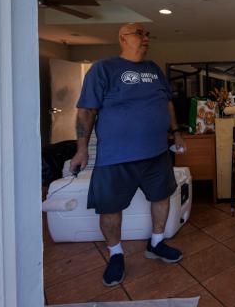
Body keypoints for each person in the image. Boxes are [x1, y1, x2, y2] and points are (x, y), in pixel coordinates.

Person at [69, 23, 186, 287]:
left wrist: (177, 131)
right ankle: (116, 254)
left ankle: (156, 243)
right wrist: (81, 149)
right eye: (140, 33)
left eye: (148, 35)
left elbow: (167, 103)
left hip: (156, 153)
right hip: (116, 157)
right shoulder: (104, 69)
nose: (146, 38)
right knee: (110, 208)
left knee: (162, 197)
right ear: (123, 38)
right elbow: (87, 111)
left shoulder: (154, 69)